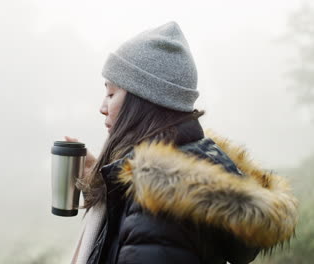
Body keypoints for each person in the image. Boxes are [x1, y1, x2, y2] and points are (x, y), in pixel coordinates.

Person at [65, 21, 299, 264]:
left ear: (145, 101)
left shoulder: (157, 205)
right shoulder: (176, 183)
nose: (103, 108)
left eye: (111, 93)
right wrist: (101, 182)